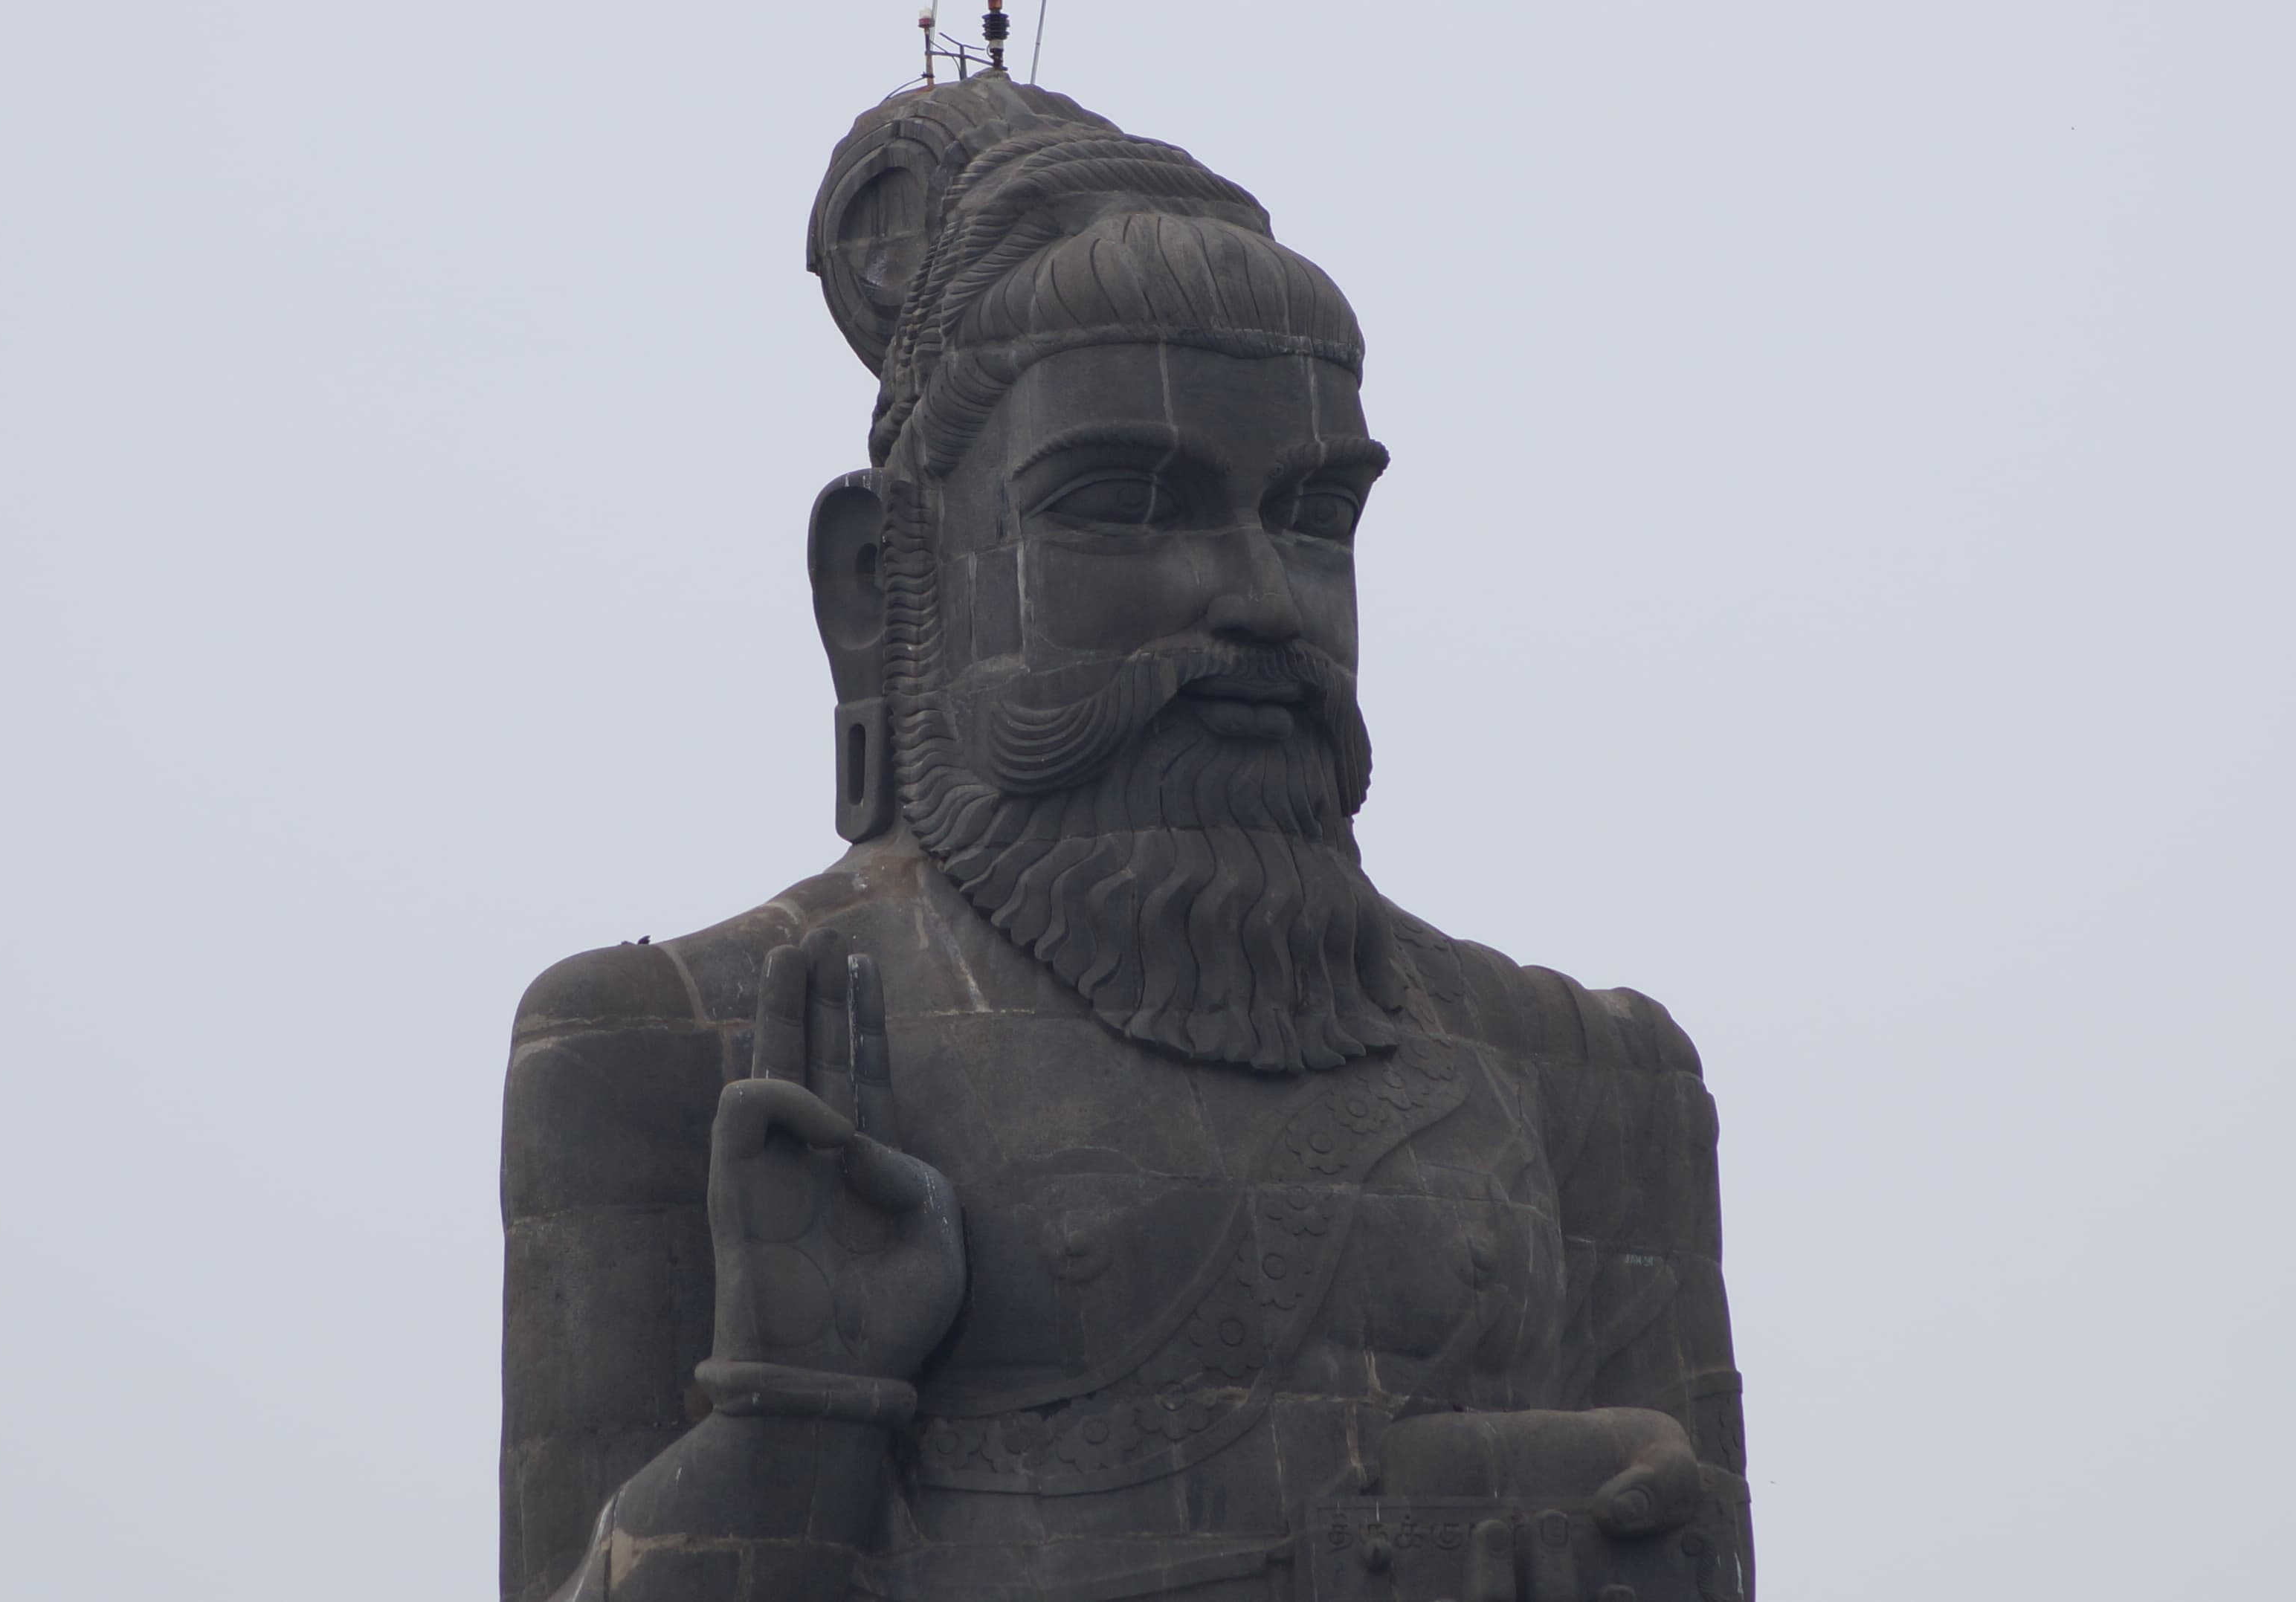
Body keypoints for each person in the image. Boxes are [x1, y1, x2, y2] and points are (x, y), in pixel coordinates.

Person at [500, 75, 1750, 1602]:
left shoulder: (1583, 1080)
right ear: (883, 579)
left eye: (1310, 518)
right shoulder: (690, 1053)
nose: (1256, 597)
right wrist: (790, 1420)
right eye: (1123, 502)